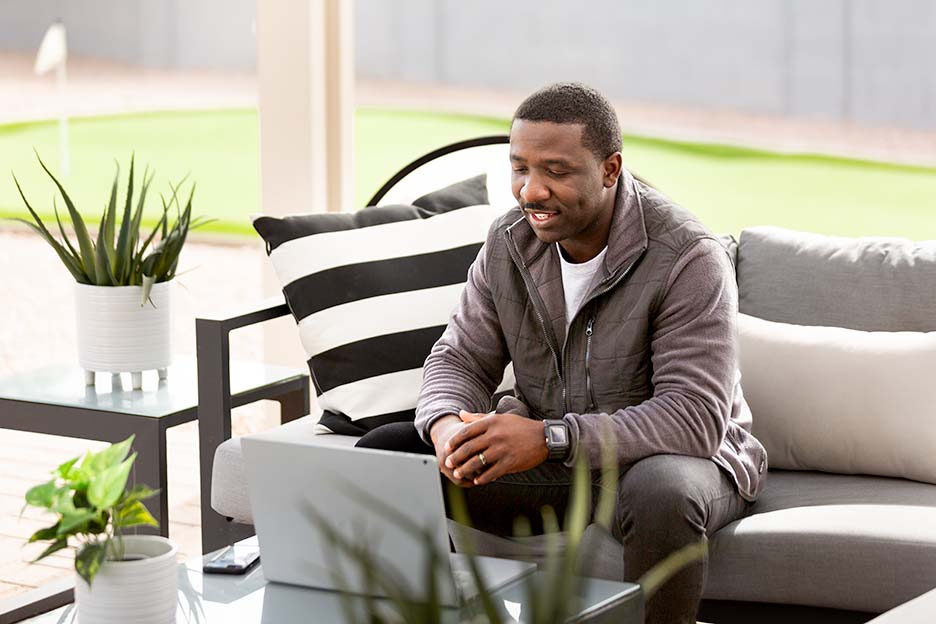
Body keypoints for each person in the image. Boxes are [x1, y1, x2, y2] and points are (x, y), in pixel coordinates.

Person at [357, 82, 768, 624]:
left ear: (610, 168)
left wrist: (551, 438)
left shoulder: (688, 257)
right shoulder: (508, 242)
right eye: (520, 168)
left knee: (660, 490)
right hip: (558, 462)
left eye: (556, 171)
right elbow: (458, 358)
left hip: (668, 465)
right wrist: (446, 428)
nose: (531, 191)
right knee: (385, 452)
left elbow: (694, 419)